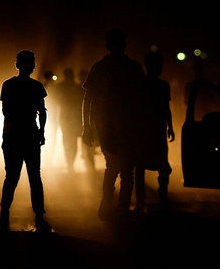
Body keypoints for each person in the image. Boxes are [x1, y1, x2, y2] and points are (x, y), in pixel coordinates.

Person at [82, 29, 145, 220]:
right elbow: (143, 99)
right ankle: (119, 206)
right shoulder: (132, 67)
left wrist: (87, 126)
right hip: (125, 125)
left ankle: (110, 203)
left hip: (110, 125)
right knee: (126, 169)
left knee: (114, 167)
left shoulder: (101, 67)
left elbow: (88, 100)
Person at [0, 50, 48, 231]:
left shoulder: (8, 85)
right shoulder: (37, 87)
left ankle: (5, 209)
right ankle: (39, 213)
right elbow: (42, 112)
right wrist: (41, 132)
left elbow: (5, 111)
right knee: (34, 176)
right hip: (30, 135)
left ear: (17, 65)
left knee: (11, 175)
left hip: (12, 135)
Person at [135, 52, 175, 212]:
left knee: (143, 166)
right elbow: (165, 108)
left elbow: (166, 108)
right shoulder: (157, 85)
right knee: (153, 165)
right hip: (151, 131)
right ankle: (154, 196)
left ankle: (145, 198)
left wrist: (170, 126)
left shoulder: (143, 84)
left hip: (152, 131)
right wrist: (169, 126)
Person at [55, 67, 84, 173]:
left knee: (68, 142)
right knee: (72, 143)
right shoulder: (77, 87)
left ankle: (70, 163)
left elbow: (56, 100)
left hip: (66, 119)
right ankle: (70, 163)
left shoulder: (61, 87)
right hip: (73, 119)